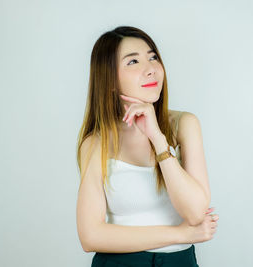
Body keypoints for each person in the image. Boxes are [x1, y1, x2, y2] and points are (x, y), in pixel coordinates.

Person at [76, 26, 219, 267]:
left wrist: (157, 138)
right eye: (133, 62)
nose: (151, 69)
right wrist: (181, 235)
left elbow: (195, 212)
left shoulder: (184, 125)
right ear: (109, 79)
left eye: (153, 58)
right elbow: (90, 236)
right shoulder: (96, 143)